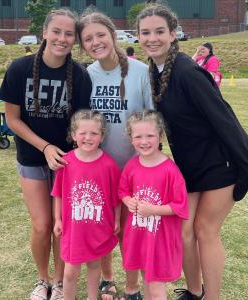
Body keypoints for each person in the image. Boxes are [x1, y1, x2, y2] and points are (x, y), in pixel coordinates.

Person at [136, 4, 248, 300]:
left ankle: (212, 297)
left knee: (205, 230)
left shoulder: (189, 72)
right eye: (145, 32)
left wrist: (246, 168)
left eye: (159, 31)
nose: (152, 38)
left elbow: (225, 119)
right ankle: (193, 292)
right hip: (189, 168)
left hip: (221, 164)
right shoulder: (155, 70)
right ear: (138, 36)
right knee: (183, 232)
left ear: (173, 33)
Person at [0, 8, 92, 300]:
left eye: (69, 34)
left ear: (74, 39)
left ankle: (62, 282)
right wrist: (45, 147)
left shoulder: (79, 75)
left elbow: (81, 122)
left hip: (67, 163)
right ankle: (43, 280)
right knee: (41, 226)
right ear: (44, 32)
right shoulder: (19, 68)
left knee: (62, 227)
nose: (62, 39)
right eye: (57, 32)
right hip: (33, 158)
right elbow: (12, 120)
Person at [77, 10, 153, 300]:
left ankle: (136, 286)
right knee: (102, 228)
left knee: (133, 232)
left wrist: (148, 162)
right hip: (98, 169)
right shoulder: (87, 74)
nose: (96, 42)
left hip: (133, 168)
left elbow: (151, 120)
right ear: (83, 45)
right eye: (88, 39)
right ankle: (106, 280)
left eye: (100, 35)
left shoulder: (139, 71)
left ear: (112, 34)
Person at [52, 109, 121, 300]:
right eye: (83, 133)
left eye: (94, 133)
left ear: (102, 136)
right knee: (70, 272)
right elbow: (58, 193)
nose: (88, 138)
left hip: (98, 228)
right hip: (73, 230)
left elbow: (116, 198)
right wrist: (57, 219)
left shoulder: (109, 165)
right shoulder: (66, 162)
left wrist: (116, 220)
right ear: (74, 135)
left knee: (94, 266)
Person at [119, 110, 188, 299]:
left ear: (161, 136)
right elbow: (123, 191)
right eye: (138, 136)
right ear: (131, 139)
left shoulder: (170, 170)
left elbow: (180, 205)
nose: (144, 141)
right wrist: (128, 201)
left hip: (160, 240)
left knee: (156, 287)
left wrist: (153, 210)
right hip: (140, 236)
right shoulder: (131, 166)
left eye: (150, 135)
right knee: (146, 279)